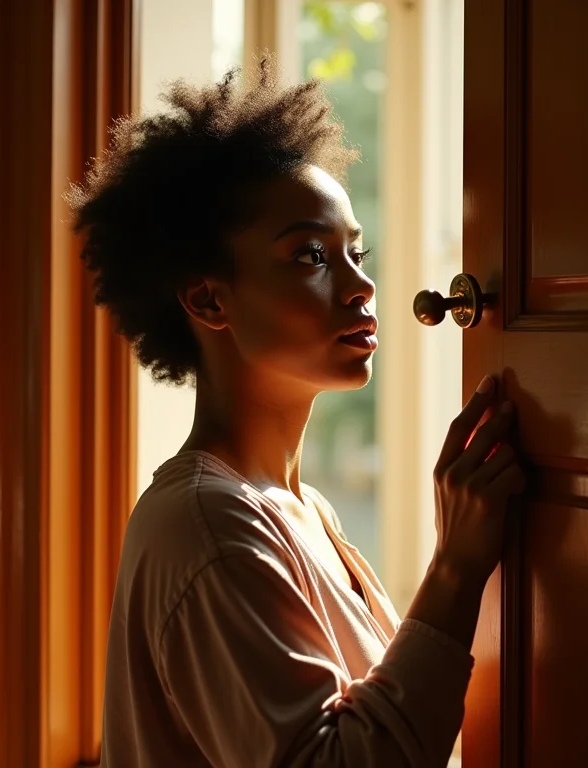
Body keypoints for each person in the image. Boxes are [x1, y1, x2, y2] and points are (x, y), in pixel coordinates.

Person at [67, 58, 525, 768]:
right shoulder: (209, 528)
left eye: (356, 251)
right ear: (209, 300)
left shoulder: (301, 508)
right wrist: (456, 567)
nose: (362, 285)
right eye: (312, 255)